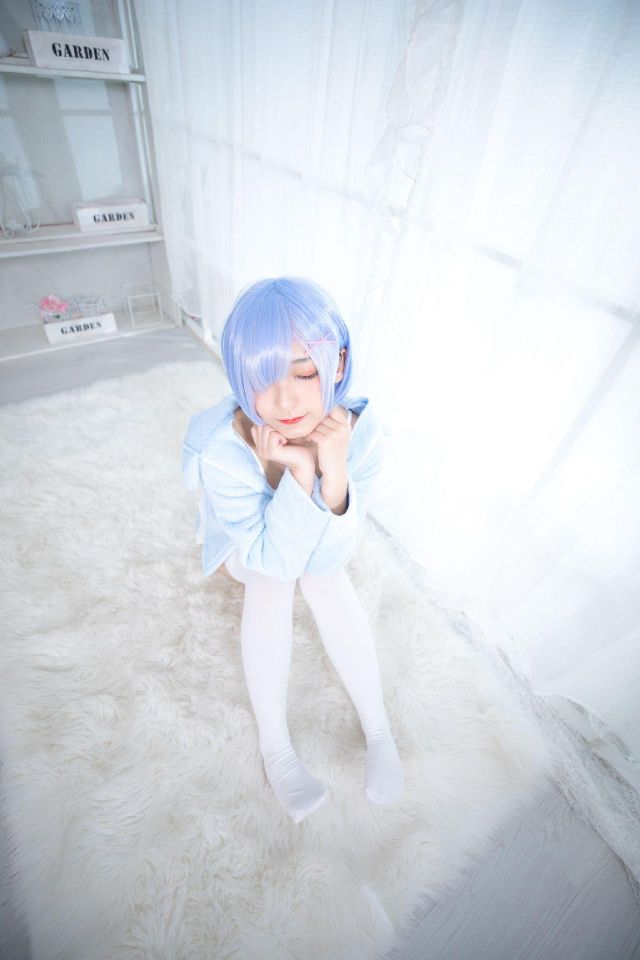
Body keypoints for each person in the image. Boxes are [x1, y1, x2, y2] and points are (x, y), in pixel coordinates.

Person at [182, 276, 404, 823]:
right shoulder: (221, 448)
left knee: (323, 576)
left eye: (305, 373)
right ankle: (275, 748)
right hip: (244, 551)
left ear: (338, 362)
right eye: (262, 379)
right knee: (274, 579)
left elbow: (330, 555)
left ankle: (379, 729)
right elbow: (269, 557)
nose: (285, 400)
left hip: (309, 546)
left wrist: (333, 469)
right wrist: (301, 473)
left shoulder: (360, 432)